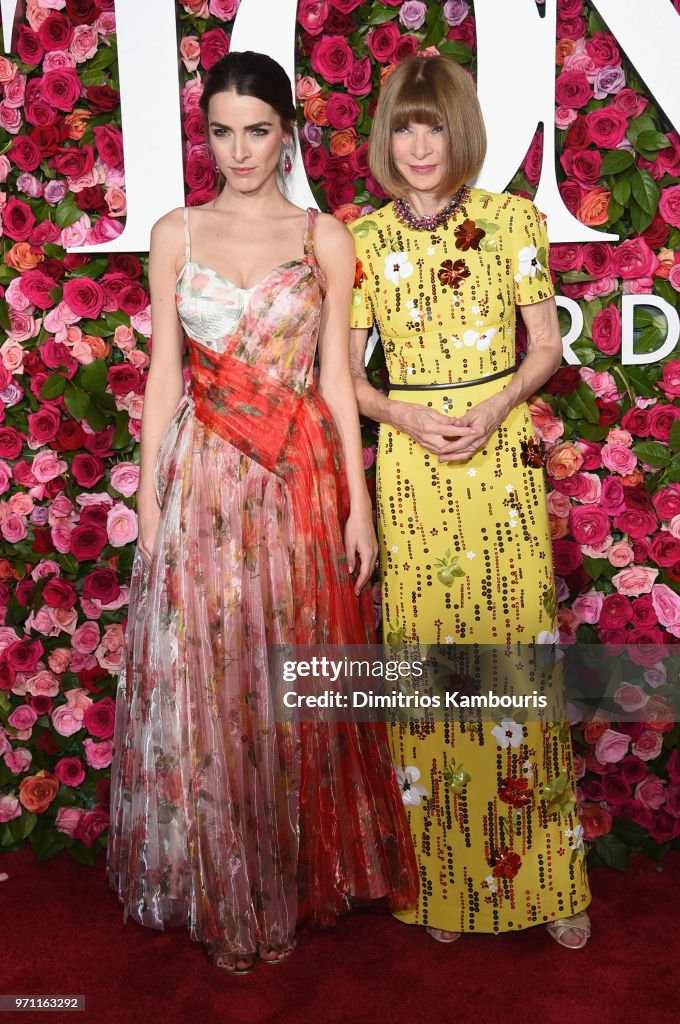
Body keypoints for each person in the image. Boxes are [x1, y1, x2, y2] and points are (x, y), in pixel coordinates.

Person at [107, 50, 418, 976]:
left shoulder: (326, 237)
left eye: (257, 130)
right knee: (211, 685)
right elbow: (165, 375)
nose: (238, 151)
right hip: (201, 476)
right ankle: (224, 891)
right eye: (221, 132)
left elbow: (334, 379)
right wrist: (150, 497)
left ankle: (278, 883)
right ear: (205, 138)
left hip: (297, 481)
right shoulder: (176, 233)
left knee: (284, 685)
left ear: (288, 134)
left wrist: (357, 508)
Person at [349, 55, 591, 948]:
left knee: (514, 663)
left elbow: (546, 350)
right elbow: (342, 373)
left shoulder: (512, 221)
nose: (421, 144)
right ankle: (446, 879)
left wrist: (494, 407)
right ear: (387, 136)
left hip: (500, 457)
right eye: (406, 126)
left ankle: (552, 886)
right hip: (411, 469)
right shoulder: (363, 239)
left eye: (436, 124)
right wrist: (401, 413)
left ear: (462, 131)